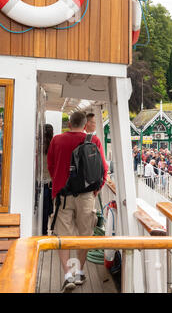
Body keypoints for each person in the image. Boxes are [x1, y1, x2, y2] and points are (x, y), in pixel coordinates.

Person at [47, 112, 108, 292]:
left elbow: (51, 166)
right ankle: (79, 272)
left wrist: (58, 184)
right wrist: (97, 189)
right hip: (86, 196)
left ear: (69, 124)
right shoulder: (93, 141)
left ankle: (67, 275)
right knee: (85, 235)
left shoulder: (56, 140)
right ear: (84, 125)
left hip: (63, 196)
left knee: (63, 236)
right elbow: (103, 169)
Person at [42, 124, 54, 235]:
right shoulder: (53, 147)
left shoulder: (38, 146)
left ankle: (42, 230)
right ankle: (45, 231)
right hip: (49, 182)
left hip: (39, 181)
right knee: (47, 209)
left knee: (42, 208)